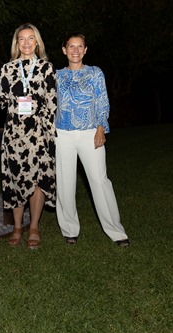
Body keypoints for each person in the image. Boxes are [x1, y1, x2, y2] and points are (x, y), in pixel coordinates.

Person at [0, 23, 57, 249]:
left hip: (39, 133)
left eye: (30, 38)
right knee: (16, 180)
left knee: (36, 180)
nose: (26, 43)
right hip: (14, 134)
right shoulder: (7, 68)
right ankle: (17, 227)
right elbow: (5, 100)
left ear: (37, 42)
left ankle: (33, 226)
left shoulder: (46, 68)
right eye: (21, 39)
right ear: (17, 43)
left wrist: (46, 129)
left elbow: (52, 103)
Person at [55, 32, 130, 247]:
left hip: (90, 133)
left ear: (85, 50)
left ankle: (116, 230)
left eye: (80, 47)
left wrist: (100, 128)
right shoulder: (56, 75)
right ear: (64, 49)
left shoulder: (95, 73)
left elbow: (103, 102)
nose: (76, 50)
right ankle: (70, 229)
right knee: (65, 183)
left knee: (100, 181)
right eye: (71, 46)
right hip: (62, 134)